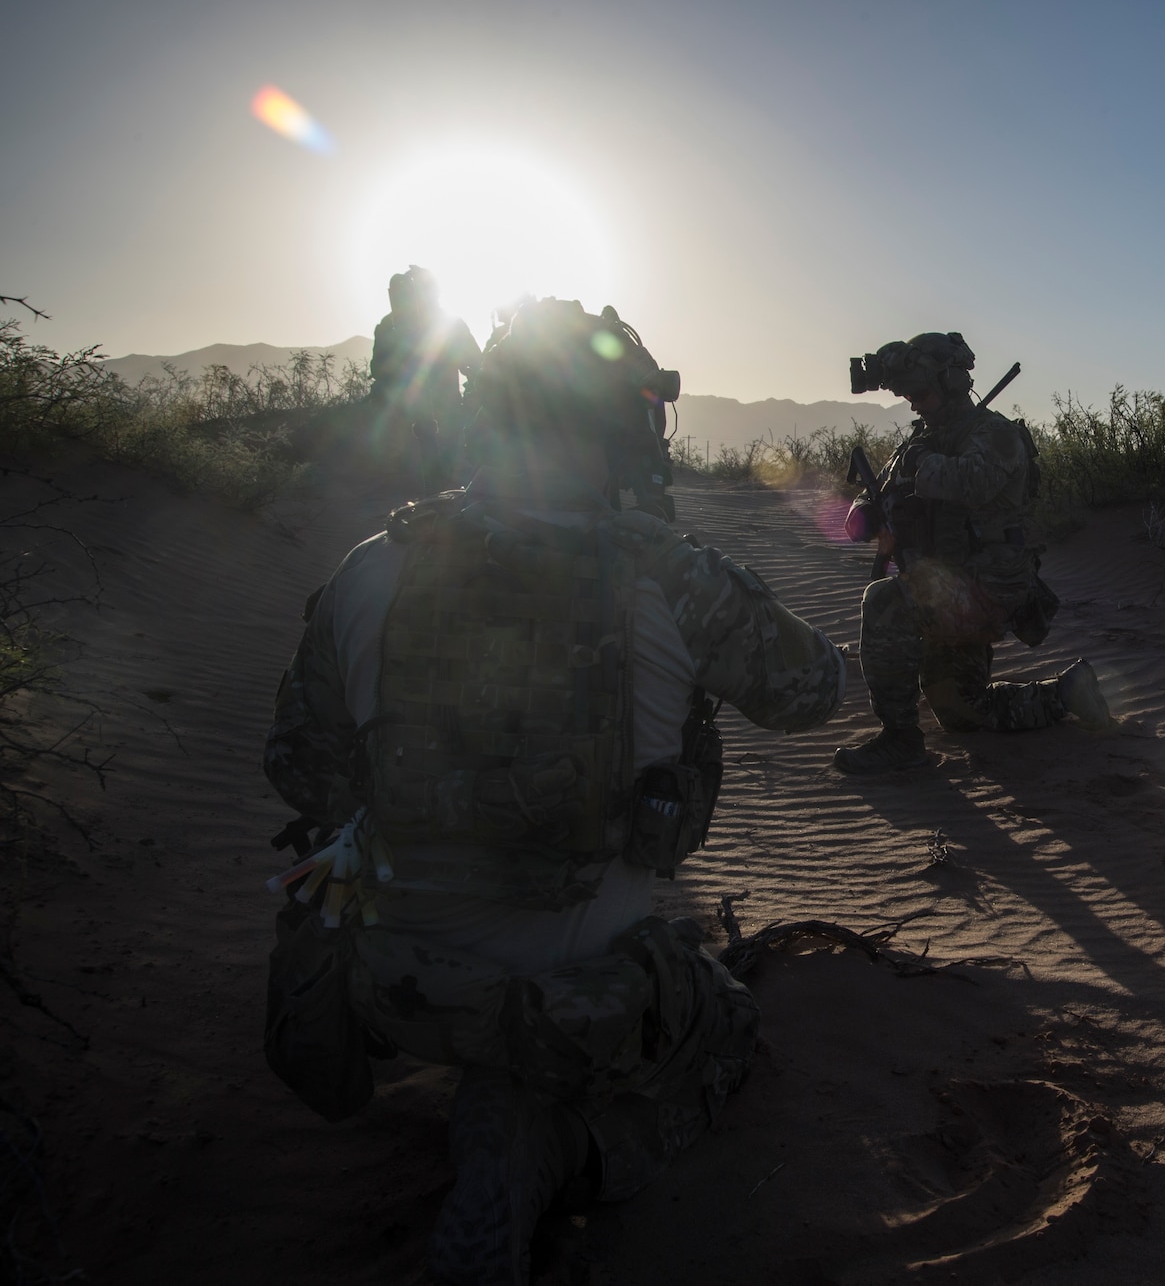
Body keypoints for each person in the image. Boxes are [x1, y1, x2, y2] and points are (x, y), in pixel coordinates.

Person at [261, 297, 845, 1284]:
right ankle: (536, 1150)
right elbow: (816, 689)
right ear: (624, 423)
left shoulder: (370, 567)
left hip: (391, 977)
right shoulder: (669, 578)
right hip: (567, 998)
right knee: (722, 1019)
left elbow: (297, 760)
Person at [834, 331, 1111, 774]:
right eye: (908, 395)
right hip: (946, 586)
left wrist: (919, 464)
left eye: (921, 393)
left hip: (987, 586)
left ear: (952, 383)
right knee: (962, 712)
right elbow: (871, 503)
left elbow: (973, 481)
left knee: (885, 602)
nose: (914, 404)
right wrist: (870, 516)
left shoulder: (995, 435)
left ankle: (901, 742)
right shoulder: (922, 441)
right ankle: (1067, 694)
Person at [369, 265, 483, 493]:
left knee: (436, 483)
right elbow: (474, 364)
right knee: (436, 484)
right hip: (420, 418)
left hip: (427, 416)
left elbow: (473, 363)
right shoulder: (446, 323)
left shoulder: (443, 324)